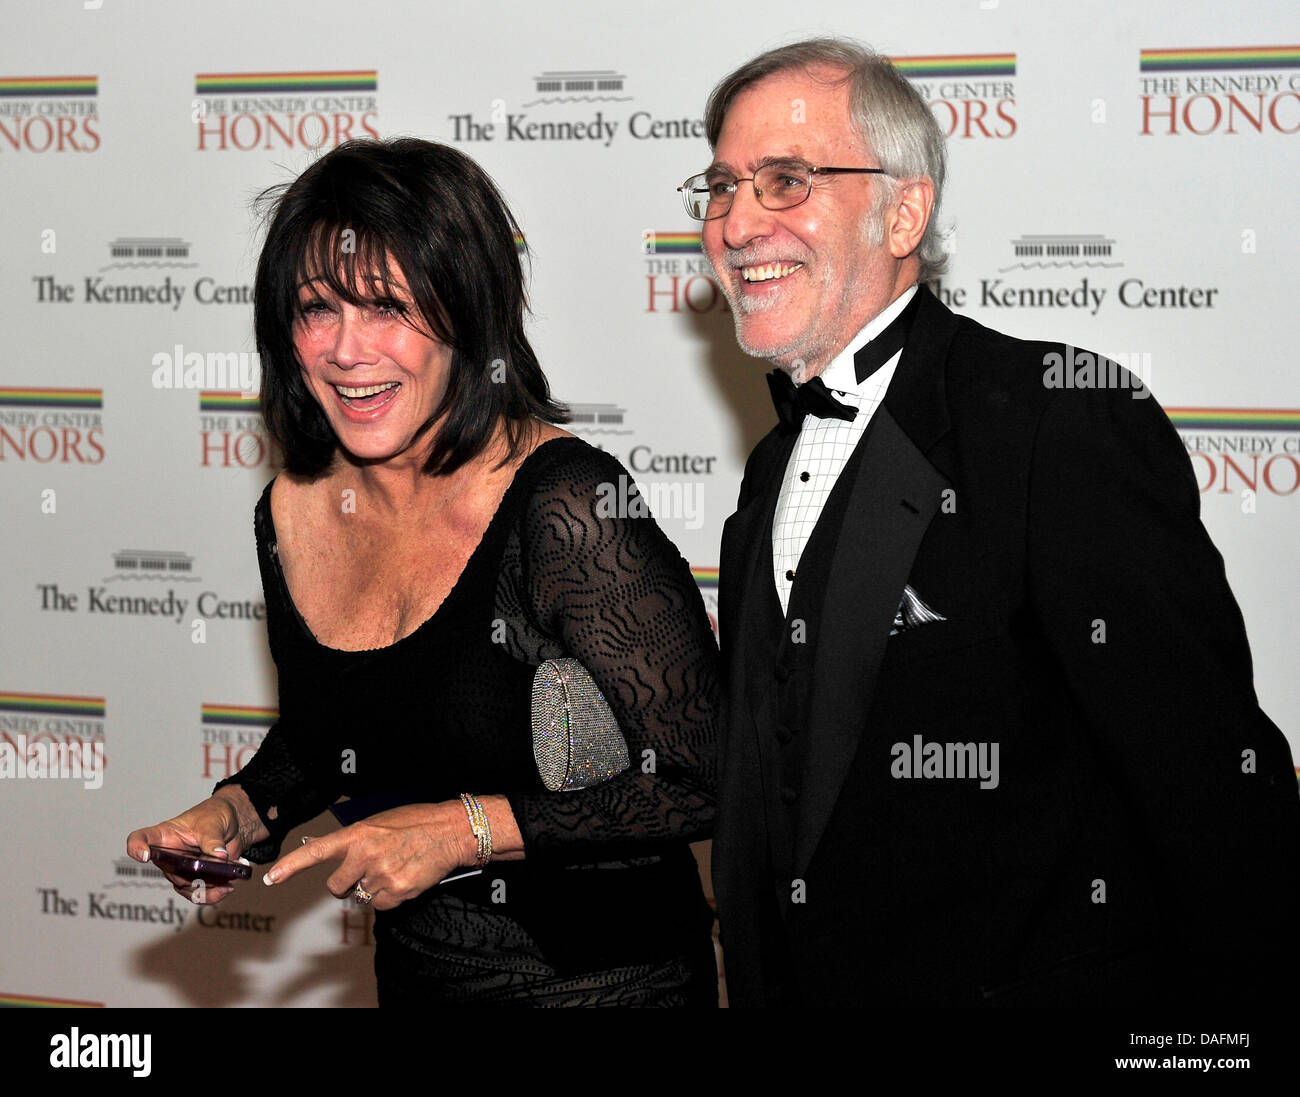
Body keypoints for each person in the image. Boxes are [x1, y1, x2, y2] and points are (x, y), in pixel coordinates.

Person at [685, 38, 1300, 1007]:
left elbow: (1210, 788)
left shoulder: (1056, 417)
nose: (737, 221)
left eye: (785, 180)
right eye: (720, 187)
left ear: (903, 210)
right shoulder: (771, 465)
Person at [128, 137, 719, 1007]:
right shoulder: (292, 511)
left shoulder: (565, 507)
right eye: (315, 309)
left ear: (469, 316)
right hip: (417, 979)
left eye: (389, 308)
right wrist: (239, 813)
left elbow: (703, 775)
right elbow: (340, 724)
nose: (346, 350)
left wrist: (464, 829)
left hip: (604, 981)